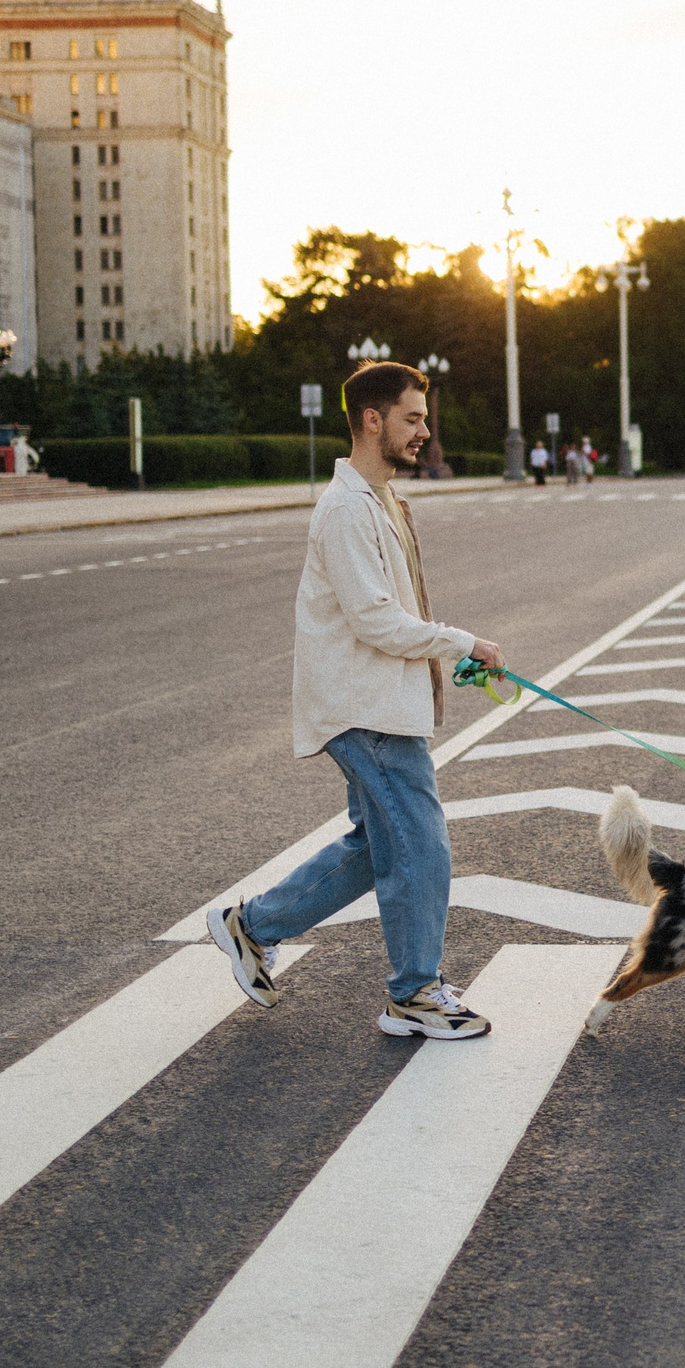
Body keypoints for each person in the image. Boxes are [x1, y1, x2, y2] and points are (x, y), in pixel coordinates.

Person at [207, 361, 504, 1041]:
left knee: (378, 849)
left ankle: (250, 927)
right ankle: (415, 993)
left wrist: (444, 655)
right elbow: (373, 618)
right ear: (372, 419)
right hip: (364, 708)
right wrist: (463, 641)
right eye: (412, 418)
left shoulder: (383, 502)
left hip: (385, 701)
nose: (424, 432)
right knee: (421, 846)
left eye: (423, 419)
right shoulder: (345, 509)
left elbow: (392, 611)